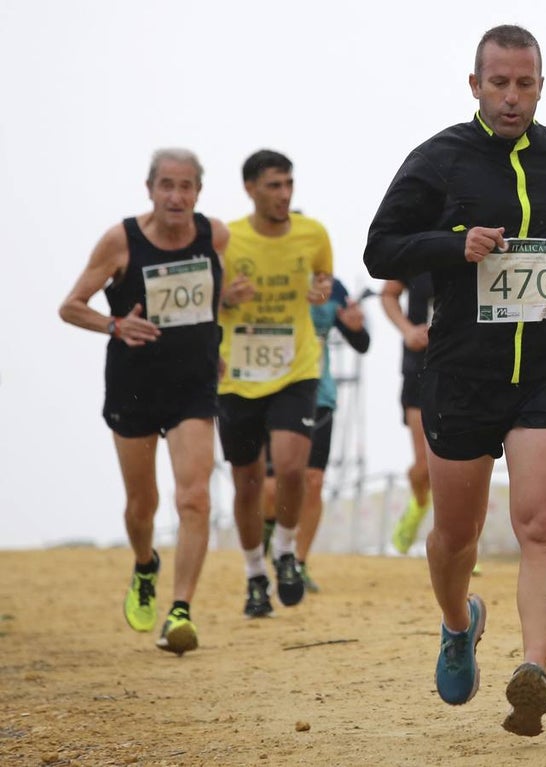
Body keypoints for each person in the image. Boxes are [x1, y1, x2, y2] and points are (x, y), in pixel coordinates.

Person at [363, 23, 546, 737]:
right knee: (456, 535)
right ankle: (459, 622)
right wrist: (456, 244)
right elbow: (380, 249)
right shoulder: (439, 159)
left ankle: (533, 671)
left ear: (541, 85)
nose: (512, 96)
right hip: (462, 372)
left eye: (525, 83)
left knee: (542, 525)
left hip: (545, 365)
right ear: (475, 85)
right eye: (500, 83)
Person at [58, 148, 229, 655]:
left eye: (186, 186)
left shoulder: (215, 235)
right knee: (142, 505)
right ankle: (144, 564)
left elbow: (210, 297)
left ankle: (180, 611)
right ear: (150, 188)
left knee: (194, 497)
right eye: (166, 185)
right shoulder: (121, 240)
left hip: (193, 385)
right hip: (133, 385)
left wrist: (215, 342)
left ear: (198, 191)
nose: (176, 196)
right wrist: (115, 325)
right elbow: (70, 306)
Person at [217, 149, 333, 618]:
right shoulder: (227, 240)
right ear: (250, 189)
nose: (284, 194)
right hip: (239, 374)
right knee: (247, 483)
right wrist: (226, 299)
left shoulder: (313, 233)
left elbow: (323, 277)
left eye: (289, 184)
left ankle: (285, 550)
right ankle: (253, 575)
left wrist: (322, 290)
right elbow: (206, 303)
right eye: (273, 185)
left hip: (295, 368)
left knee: (290, 468)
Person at [261, 279, 371, 592]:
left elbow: (361, 343)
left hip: (317, 396)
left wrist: (356, 326)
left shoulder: (331, 287)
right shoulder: (270, 277)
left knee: (313, 481)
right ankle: (264, 554)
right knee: (271, 488)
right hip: (269, 392)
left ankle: (298, 562)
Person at [379, 274, 434, 555]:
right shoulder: (417, 253)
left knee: (463, 463)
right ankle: (418, 505)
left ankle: (460, 545)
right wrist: (408, 330)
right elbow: (388, 293)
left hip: (464, 367)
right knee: (425, 465)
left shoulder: (478, 251)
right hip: (419, 369)